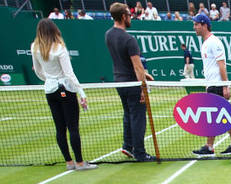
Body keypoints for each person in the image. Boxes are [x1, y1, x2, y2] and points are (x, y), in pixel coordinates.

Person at [31, 19, 96, 171]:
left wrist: (49, 80)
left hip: (50, 90)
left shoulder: (35, 47)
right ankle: (79, 163)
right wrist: (81, 93)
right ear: (55, 30)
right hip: (64, 90)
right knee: (72, 127)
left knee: (60, 128)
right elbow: (69, 74)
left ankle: (69, 162)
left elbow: (38, 71)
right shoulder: (60, 48)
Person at [105, 2, 154, 162]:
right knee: (138, 117)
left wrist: (145, 75)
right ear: (123, 17)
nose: (130, 17)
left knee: (128, 115)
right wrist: (143, 88)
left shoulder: (109, 35)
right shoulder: (129, 39)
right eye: (129, 15)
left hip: (119, 82)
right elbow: (136, 66)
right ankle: (139, 152)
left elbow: (124, 62)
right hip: (132, 84)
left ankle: (127, 146)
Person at [191, 13, 231, 157]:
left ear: (204, 25)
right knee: (221, 115)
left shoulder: (214, 42)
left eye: (196, 25)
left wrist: (225, 86)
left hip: (218, 85)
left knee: (214, 116)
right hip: (212, 85)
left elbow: (222, 65)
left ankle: (210, 147)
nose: (194, 28)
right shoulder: (205, 43)